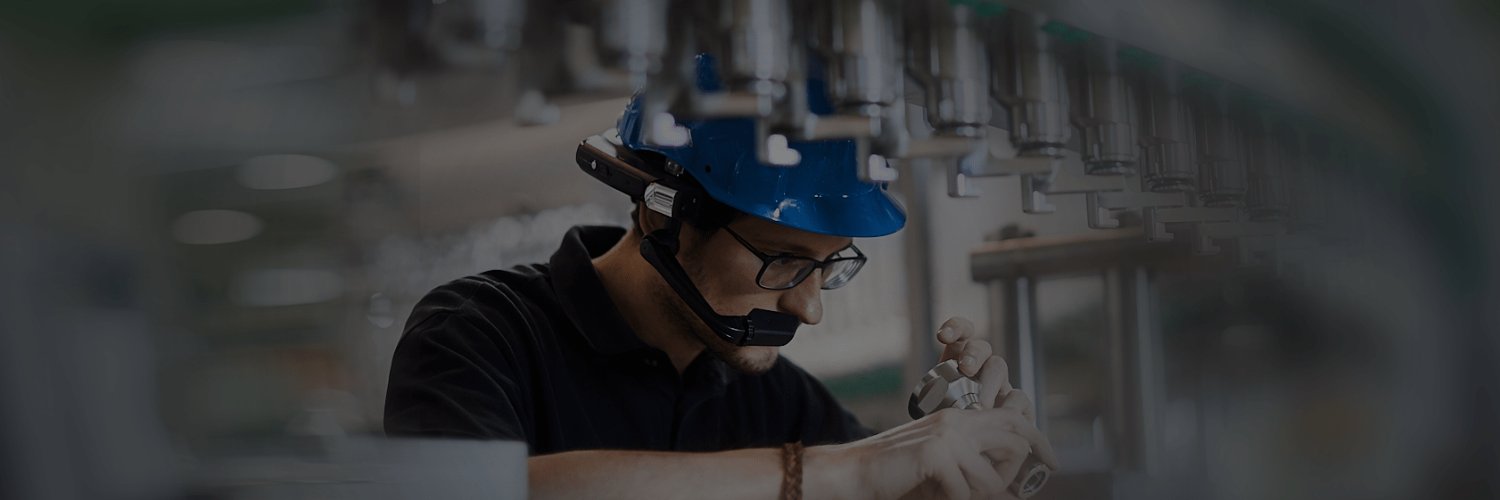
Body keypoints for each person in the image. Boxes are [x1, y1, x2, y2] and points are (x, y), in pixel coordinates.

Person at [383, 55, 1058, 499]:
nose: (809, 308)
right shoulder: (478, 332)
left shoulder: (779, 400)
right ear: (663, 216)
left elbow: (881, 478)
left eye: (829, 266)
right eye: (784, 261)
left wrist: (967, 462)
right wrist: (830, 473)